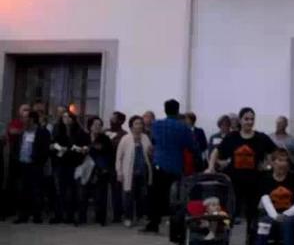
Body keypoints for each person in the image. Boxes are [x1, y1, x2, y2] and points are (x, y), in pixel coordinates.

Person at [208, 107, 277, 226]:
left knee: (252, 214)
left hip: (254, 182)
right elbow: (216, 151)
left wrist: (268, 165)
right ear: (240, 120)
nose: (249, 122)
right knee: (231, 212)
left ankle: (251, 236)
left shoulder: (261, 138)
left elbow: (276, 152)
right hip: (234, 182)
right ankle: (227, 232)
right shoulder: (232, 137)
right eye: (246, 119)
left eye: (252, 119)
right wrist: (211, 167)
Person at [244, 148, 294, 245]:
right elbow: (265, 200)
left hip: (290, 215)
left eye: (285, 161)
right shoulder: (265, 179)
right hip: (271, 215)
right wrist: (276, 216)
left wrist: (285, 214)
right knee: (264, 222)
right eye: (279, 160)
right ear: (272, 163)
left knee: (288, 222)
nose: (283, 164)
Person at [142, 99, 198, 233]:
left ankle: (153, 224)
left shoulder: (157, 125)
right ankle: (175, 226)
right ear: (177, 111)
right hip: (175, 166)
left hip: (159, 164)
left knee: (156, 195)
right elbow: (192, 146)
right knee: (175, 197)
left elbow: (154, 141)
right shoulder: (183, 127)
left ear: (165, 110)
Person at [13, 111, 50, 224]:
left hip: (35, 165)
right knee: (23, 191)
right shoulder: (23, 132)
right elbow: (18, 146)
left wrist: (39, 161)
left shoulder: (42, 132)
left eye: (25, 118)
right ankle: (22, 215)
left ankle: (36, 216)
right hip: (23, 164)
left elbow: (45, 150)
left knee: (36, 191)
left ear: (32, 119)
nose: (23, 120)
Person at [50, 111, 86, 224]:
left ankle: (70, 215)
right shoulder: (58, 131)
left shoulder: (79, 132)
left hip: (73, 164)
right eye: (64, 117)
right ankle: (58, 215)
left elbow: (83, 146)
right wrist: (55, 148)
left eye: (68, 117)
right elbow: (52, 144)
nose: (66, 119)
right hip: (60, 163)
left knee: (72, 190)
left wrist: (78, 149)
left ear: (73, 119)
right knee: (59, 190)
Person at [116, 115, 152, 228]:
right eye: (136, 123)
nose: (139, 126)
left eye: (141, 123)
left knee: (142, 196)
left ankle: (140, 217)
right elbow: (119, 157)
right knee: (128, 196)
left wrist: (151, 152)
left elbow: (149, 154)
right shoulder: (125, 139)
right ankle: (128, 217)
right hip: (129, 172)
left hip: (142, 171)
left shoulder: (145, 138)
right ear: (131, 126)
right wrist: (119, 172)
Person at [78, 116, 114, 226]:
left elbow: (109, 154)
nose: (97, 127)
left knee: (100, 196)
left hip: (100, 170)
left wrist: (95, 148)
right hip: (85, 169)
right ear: (90, 126)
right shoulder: (83, 137)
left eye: (99, 125)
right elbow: (77, 149)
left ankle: (100, 219)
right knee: (83, 194)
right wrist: (82, 150)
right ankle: (82, 218)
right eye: (95, 124)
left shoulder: (105, 139)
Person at [2, 104, 29, 219]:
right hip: (15, 157)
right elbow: (12, 131)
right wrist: (23, 131)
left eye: (28, 110)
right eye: (24, 110)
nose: (26, 112)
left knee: (24, 184)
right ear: (19, 112)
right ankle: (10, 209)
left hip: (27, 158)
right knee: (12, 183)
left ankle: (23, 210)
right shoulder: (16, 122)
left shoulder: (30, 124)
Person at [105, 111, 128, 223]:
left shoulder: (123, 135)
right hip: (105, 163)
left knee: (116, 191)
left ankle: (117, 214)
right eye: (111, 118)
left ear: (120, 121)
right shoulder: (106, 132)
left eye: (114, 119)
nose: (111, 121)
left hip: (116, 164)